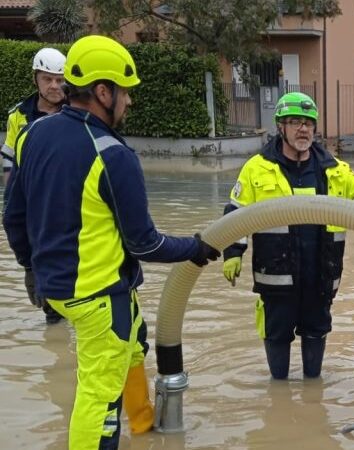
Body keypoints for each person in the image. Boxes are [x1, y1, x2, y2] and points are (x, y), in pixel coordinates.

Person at [2, 35, 221, 449]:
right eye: (125, 92)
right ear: (103, 92)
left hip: (66, 286)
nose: (129, 102)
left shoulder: (34, 134)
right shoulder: (112, 154)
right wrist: (196, 247)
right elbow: (146, 245)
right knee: (98, 399)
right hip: (97, 294)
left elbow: (13, 215)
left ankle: (142, 427)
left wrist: (31, 268)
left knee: (134, 344)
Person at [221, 92, 354, 379]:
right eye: (295, 122)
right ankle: (280, 396)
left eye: (309, 123)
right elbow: (236, 212)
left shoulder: (331, 168)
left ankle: (311, 386)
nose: (303, 129)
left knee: (315, 332)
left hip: (320, 275)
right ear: (281, 126)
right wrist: (232, 253)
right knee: (276, 335)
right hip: (276, 277)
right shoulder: (257, 168)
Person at [2, 47, 67, 325]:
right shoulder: (19, 116)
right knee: (50, 301)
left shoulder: (77, 110)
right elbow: (10, 170)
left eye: (59, 79)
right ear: (36, 80)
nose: (54, 86)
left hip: (69, 202)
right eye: (47, 79)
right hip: (35, 207)